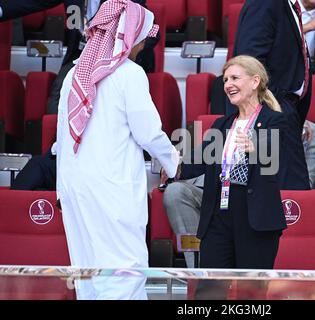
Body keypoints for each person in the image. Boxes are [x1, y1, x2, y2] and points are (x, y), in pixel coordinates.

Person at [56, 0, 179, 299]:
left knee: (88, 275)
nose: (143, 44)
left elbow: (62, 139)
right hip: (111, 189)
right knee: (124, 271)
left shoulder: (73, 75)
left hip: (74, 188)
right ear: (130, 34)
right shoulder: (129, 74)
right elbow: (149, 133)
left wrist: (61, 190)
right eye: (142, 37)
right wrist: (175, 163)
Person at [163, 55, 287, 298]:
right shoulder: (221, 125)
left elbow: (279, 157)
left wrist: (257, 147)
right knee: (209, 291)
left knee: (251, 295)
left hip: (255, 219)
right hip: (218, 216)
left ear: (254, 81)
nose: (228, 84)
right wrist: (169, 164)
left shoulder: (276, 120)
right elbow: (194, 164)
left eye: (234, 78)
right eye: (225, 79)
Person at [163, 120, 315, 269]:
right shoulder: (226, 123)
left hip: (262, 202)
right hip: (221, 196)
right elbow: (200, 160)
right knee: (175, 192)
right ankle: (197, 271)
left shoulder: (307, 131)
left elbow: (306, 183)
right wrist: (175, 168)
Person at [0, 0, 158, 114]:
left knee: (106, 104)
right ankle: (56, 152)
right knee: (58, 100)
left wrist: (123, 51)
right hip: (79, 56)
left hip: (114, 59)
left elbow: (152, 31)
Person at [231, 0, 313, 191]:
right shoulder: (265, 3)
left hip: (282, 112)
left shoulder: (285, 5)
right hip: (272, 114)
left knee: (287, 199)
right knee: (292, 199)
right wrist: (276, 112)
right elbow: (248, 66)